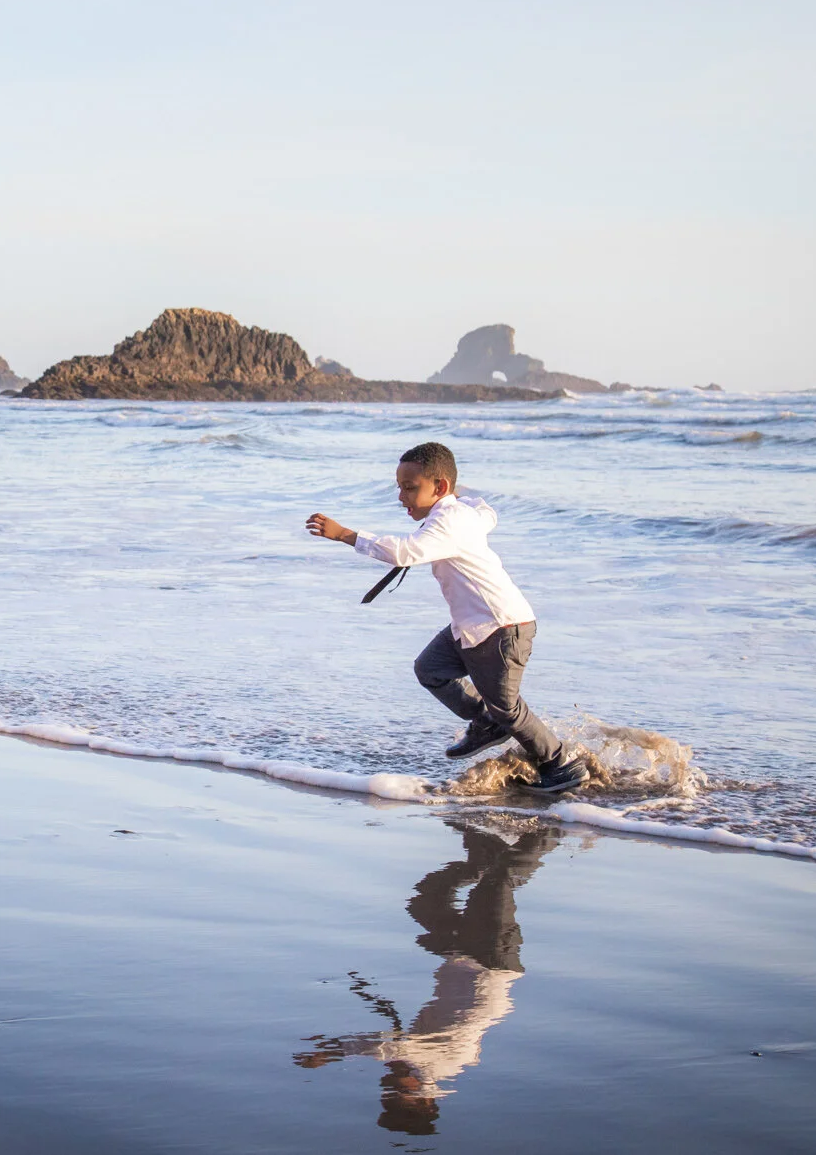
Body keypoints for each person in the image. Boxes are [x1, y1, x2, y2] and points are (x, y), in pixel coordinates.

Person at [305, 441, 589, 794]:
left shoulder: (449, 521)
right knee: (431, 669)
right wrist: (461, 496)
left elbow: (406, 551)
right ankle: (486, 724)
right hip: (472, 626)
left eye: (410, 488)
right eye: (399, 487)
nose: (401, 497)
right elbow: (487, 511)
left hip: (500, 629)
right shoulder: (459, 514)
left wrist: (345, 535)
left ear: (439, 487)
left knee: (508, 709)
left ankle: (561, 765)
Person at [293, 820, 558, 1135]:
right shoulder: (440, 1065)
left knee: (425, 902)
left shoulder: (417, 1061)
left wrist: (354, 1053)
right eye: (397, 1096)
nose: (387, 1088)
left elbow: (392, 1048)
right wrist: (330, 1052)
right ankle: (556, 825)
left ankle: (480, 845)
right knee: (500, 882)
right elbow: (386, 1047)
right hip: (491, 960)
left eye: (386, 1095)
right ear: (426, 1101)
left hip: (459, 955)